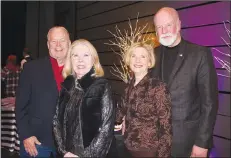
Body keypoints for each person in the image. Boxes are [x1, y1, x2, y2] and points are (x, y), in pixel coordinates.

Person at [152, 7, 219, 157]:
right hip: (156, 142)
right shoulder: (152, 55)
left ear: (179, 24)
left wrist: (202, 143)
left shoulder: (199, 54)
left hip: (188, 144)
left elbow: (209, 103)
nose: (164, 31)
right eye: (159, 27)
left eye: (168, 25)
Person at [53, 39, 116, 158]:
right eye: (75, 55)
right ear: (70, 60)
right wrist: (63, 152)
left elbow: (106, 128)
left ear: (93, 60)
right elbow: (56, 121)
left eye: (86, 55)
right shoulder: (66, 86)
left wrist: (87, 156)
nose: (80, 60)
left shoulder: (102, 86)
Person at [16, 26, 71, 157]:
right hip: (37, 142)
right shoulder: (31, 68)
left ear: (69, 43)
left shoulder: (78, 70)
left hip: (69, 145)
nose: (58, 45)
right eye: (53, 41)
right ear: (47, 44)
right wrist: (26, 135)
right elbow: (20, 106)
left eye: (62, 40)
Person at [116, 43, 172, 157]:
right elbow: (120, 112)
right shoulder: (128, 86)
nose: (137, 60)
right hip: (127, 147)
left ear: (149, 61)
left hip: (148, 151)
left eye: (143, 56)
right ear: (128, 59)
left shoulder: (157, 87)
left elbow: (166, 128)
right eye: (133, 56)